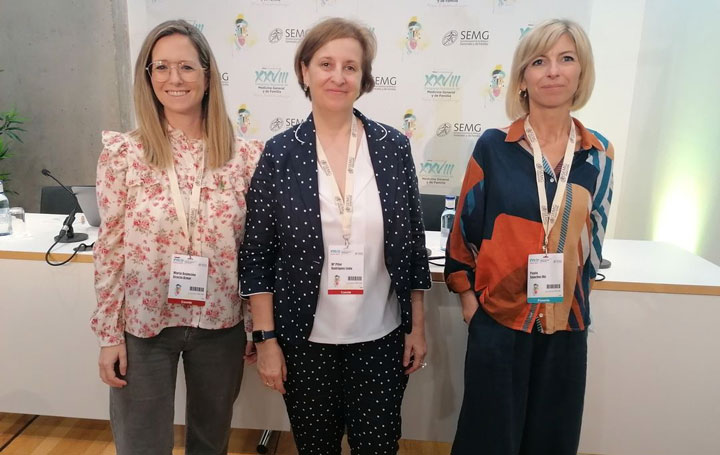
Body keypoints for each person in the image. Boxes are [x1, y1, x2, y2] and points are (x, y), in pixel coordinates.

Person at [240, 17, 431, 455]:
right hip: (304, 342)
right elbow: (258, 258)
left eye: (350, 66)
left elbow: (413, 249)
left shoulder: (392, 147)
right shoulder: (280, 154)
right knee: (316, 447)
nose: (338, 76)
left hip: (381, 338)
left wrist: (416, 327)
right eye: (326, 63)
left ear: (364, 78)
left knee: (378, 447)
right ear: (304, 71)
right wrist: (266, 341)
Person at [91, 19, 262, 455]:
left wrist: (252, 326)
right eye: (161, 67)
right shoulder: (124, 154)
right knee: (141, 444)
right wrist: (109, 334)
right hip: (145, 326)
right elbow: (109, 248)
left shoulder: (244, 157)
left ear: (207, 75)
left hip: (220, 325)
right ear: (148, 77)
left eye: (186, 67)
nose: (174, 79)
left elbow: (254, 251)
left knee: (211, 442)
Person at [445, 19, 614, 455]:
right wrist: (469, 303)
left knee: (552, 439)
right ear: (523, 78)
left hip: (567, 322)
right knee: (489, 439)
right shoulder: (493, 146)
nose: (553, 71)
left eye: (566, 59)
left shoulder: (599, 154)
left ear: (581, 72)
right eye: (539, 61)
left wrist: (581, 290)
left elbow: (594, 236)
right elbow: (464, 233)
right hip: (499, 319)